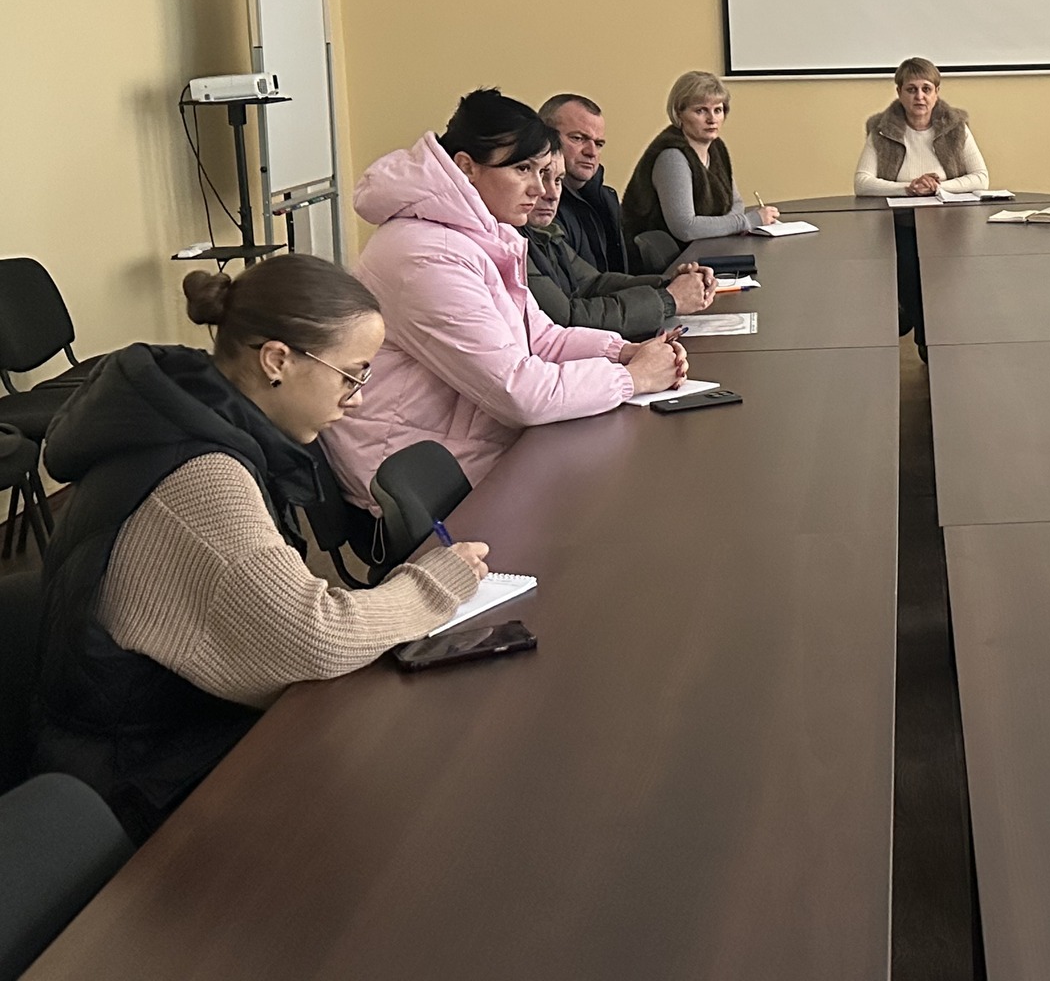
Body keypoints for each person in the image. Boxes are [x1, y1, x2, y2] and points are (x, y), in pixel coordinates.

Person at [33, 257, 489, 840]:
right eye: (350, 376)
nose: (356, 399)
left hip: (168, 734)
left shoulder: (193, 417)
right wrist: (434, 584)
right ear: (277, 360)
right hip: (142, 788)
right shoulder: (200, 480)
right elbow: (315, 636)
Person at [324, 89, 686, 507]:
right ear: (467, 167)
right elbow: (518, 393)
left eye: (542, 171)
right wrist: (633, 379)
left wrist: (624, 352)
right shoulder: (425, 254)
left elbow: (543, 338)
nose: (540, 188)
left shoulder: (480, 234)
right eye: (522, 169)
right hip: (423, 479)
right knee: (637, 494)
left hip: (471, 447)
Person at [524, 147, 716, 339]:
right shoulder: (516, 245)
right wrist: (668, 298)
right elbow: (568, 320)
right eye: (541, 176)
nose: (551, 193)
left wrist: (670, 283)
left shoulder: (545, 232)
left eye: (558, 180)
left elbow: (592, 283)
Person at [621, 72, 780, 248]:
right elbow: (685, 228)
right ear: (679, 114)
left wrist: (730, 225)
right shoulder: (672, 157)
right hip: (673, 260)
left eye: (717, 110)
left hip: (705, 248)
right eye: (700, 110)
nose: (712, 119)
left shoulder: (716, 148)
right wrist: (747, 221)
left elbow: (736, 203)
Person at [853, 57, 989, 197]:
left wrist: (937, 187)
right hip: (897, 210)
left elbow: (981, 178)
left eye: (926, 89)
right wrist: (909, 188)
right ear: (899, 92)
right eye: (911, 90)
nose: (919, 96)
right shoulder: (882, 129)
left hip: (948, 208)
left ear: (936, 92)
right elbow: (861, 183)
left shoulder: (955, 127)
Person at [539, 94, 630, 274]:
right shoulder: (537, 203)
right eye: (578, 138)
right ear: (544, 137)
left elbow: (617, 277)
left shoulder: (607, 199)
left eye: (599, 143)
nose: (592, 152)